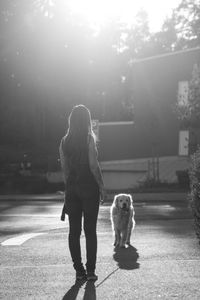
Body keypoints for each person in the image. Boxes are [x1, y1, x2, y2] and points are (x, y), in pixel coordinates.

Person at [59, 104, 105, 281]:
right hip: (89, 188)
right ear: (87, 120)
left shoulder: (64, 141)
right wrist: (102, 186)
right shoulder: (88, 139)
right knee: (90, 231)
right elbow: (93, 166)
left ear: (71, 120)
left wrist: (69, 190)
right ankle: (91, 271)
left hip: (72, 189)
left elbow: (65, 170)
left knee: (74, 231)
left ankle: (79, 271)